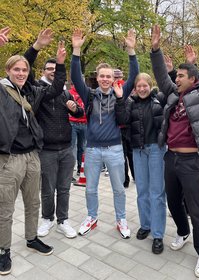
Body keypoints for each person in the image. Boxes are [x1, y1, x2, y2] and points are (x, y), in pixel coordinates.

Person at [150, 6, 199, 278]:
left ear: (193, 79)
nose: (176, 78)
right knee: (173, 202)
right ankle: (182, 232)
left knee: (197, 208)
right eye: (177, 75)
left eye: (181, 75)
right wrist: (155, 50)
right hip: (170, 158)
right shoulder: (172, 96)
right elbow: (161, 77)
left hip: (192, 160)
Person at [0, 26, 66, 275]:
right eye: (16, 69)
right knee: (5, 208)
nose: (20, 72)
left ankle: (31, 238)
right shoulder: (0, 90)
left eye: (24, 69)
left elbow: (56, 89)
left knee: (33, 202)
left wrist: (60, 64)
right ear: (8, 71)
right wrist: (34, 47)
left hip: (32, 157)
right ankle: (3, 250)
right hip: (8, 160)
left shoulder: (32, 92)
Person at [71, 28, 139, 238]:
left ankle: (121, 219)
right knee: (90, 188)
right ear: (97, 78)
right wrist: (76, 51)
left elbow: (134, 75)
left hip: (115, 149)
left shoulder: (120, 93)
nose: (105, 79)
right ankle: (92, 217)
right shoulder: (89, 95)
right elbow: (75, 76)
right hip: (92, 150)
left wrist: (131, 51)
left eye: (109, 76)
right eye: (102, 76)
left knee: (119, 188)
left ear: (113, 79)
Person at [24, 29, 84, 239]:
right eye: (49, 68)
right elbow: (26, 67)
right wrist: (36, 46)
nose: (52, 71)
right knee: (47, 189)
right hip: (47, 150)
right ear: (43, 70)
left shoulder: (65, 92)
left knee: (64, 188)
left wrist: (75, 109)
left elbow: (81, 111)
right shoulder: (36, 89)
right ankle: (47, 218)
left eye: (55, 68)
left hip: (67, 147)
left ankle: (63, 220)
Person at [115, 73, 166, 253]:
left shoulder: (160, 99)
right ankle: (146, 224)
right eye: (139, 86)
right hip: (138, 150)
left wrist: (169, 71)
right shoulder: (131, 103)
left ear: (150, 86)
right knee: (142, 191)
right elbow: (121, 120)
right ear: (135, 88)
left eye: (146, 85)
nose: (142, 89)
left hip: (156, 150)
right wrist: (121, 99)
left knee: (157, 193)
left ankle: (158, 234)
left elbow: (171, 88)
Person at [114, 68, 135, 187]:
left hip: (128, 127)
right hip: (118, 129)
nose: (117, 79)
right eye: (115, 77)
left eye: (119, 77)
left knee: (130, 154)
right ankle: (125, 179)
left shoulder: (127, 90)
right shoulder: (112, 91)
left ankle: (134, 176)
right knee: (122, 156)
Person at [69, 83, 87, 178]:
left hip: (84, 123)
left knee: (82, 147)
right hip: (72, 123)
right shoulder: (69, 93)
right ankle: (70, 171)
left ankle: (81, 169)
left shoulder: (85, 92)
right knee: (72, 148)